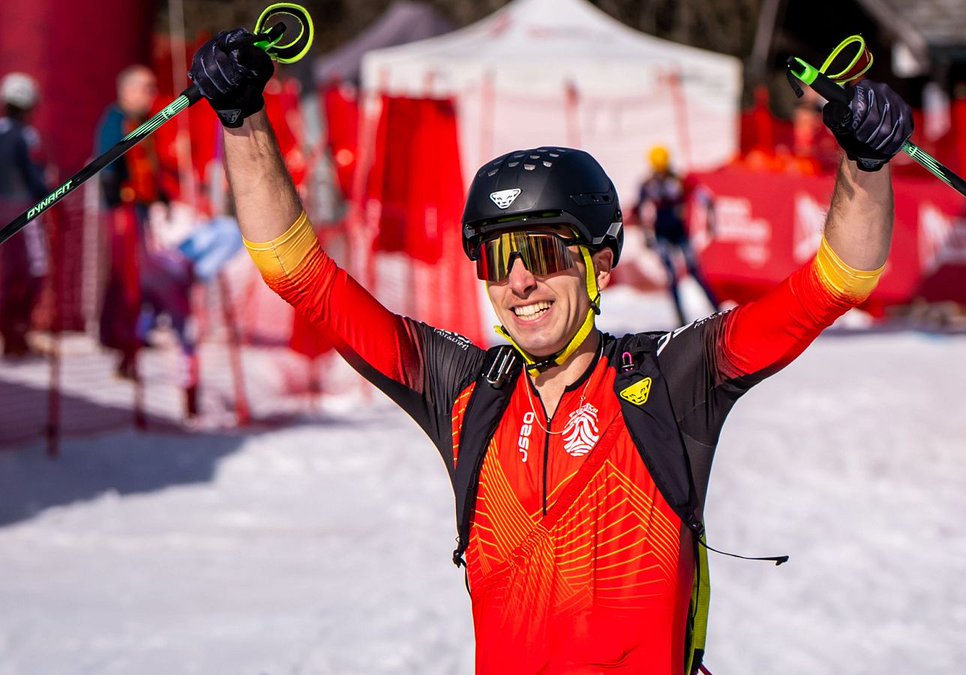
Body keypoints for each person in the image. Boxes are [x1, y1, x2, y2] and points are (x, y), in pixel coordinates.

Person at [189, 28, 912, 674]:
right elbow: (298, 274)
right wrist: (242, 116)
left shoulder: (672, 380)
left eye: (541, 250)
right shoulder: (468, 394)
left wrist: (864, 162)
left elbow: (837, 278)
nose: (520, 280)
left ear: (599, 263)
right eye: (498, 256)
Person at [94, 65, 198, 416]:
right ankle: (124, 346)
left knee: (135, 278)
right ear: (127, 90)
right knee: (129, 280)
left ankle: (126, 341)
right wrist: (118, 193)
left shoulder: (144, 123)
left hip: (138, 210)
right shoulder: (117, 120)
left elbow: (147, 166)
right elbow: (108, 164)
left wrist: (162, 199)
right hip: (123, 211)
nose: (150, 95)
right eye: (145, 88)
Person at [635, 145, 722, 326]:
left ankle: (716, 309)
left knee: (694, 272)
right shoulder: (648, 184)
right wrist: (646, 236)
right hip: (662, 235)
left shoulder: (678, 180)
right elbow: (641, 210)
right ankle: (681, 319)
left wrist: (711, 223)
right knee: (672, 277)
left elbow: (706, 198)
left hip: (679, 233)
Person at [0, 72, 49, 359]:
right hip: (24, 216)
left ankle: (11, 336)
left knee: (6, 277)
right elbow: (34, 178)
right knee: (33, 273)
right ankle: (16, 333)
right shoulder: (25, 136)